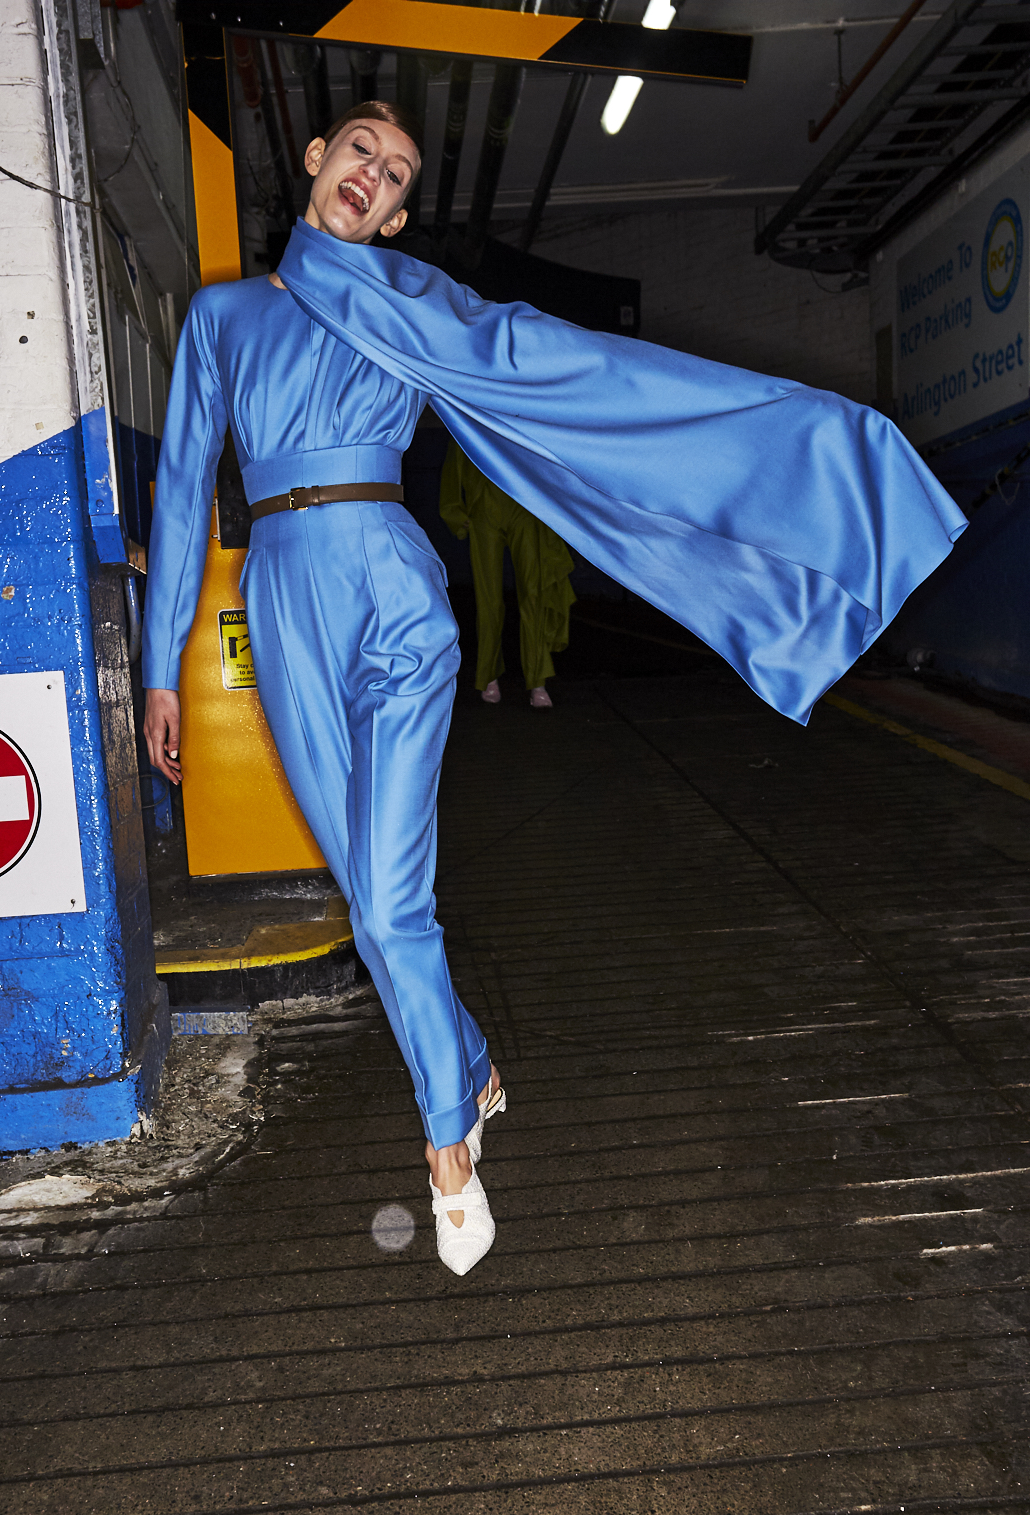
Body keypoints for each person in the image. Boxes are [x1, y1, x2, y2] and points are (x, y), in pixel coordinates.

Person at [142, 99, 965, 1280]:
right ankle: (467, 1057)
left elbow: (561, 370)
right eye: (359, 152)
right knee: (371, 896)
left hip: (394, 597)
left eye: (399, 172)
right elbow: (178, 493)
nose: (374, 174)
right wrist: (168, 664)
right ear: (316, 163)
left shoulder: (409, 303)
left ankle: (447, 1147)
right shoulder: (223, 317)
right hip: (282, 601)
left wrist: (765, 439)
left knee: (388, 905)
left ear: (403, 212)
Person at [439, 441, 576, 708]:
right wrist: (454, 511)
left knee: (533, 594)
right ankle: (488, 676)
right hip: (484, 508)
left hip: (524, 506)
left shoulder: (517, 408)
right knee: (488, 599)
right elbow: (455, 457)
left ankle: (538, 680)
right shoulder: (471, 411)